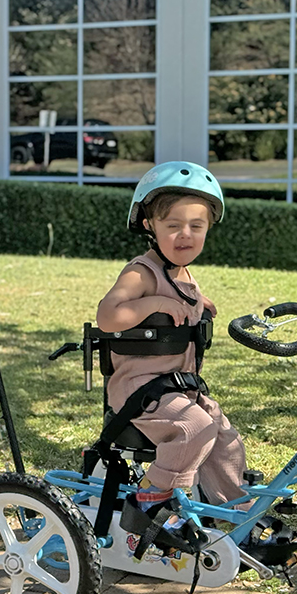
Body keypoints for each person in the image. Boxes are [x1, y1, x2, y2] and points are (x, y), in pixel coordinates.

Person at [96, 161, 246, 532]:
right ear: (149, 225)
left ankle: (236, 513)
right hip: (140, 391)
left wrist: (199, 303)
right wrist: (152, 304)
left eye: (197, 226)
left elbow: (178, 297)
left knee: (224, 437)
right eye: (173, 225)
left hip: (178, 387)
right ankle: (152, 499)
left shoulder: (182, 275)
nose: (186, 235)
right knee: (194, 427)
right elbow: (108, 315)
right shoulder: (141, 272)